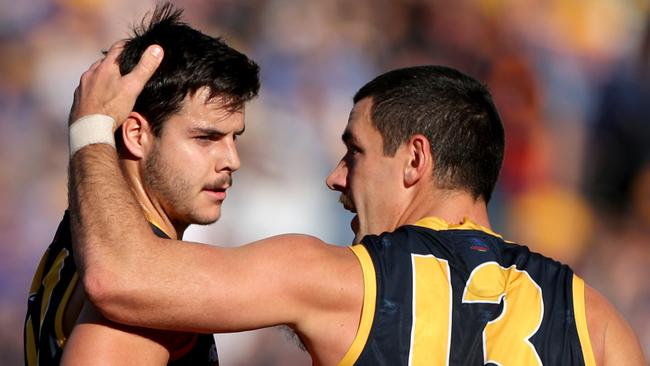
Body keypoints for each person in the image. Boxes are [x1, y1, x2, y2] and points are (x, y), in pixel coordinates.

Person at [65, 40, 647, 364]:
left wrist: (92, 128)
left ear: (415, 161)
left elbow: (121, 277)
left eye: (356, 153)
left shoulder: (348, 281)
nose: (336, 177)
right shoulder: (596, 321)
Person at [23, 4, 259, 365]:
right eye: (206, 138)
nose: (232, 160)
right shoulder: (146, 294)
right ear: (136, 134)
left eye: (234, 138)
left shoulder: (84, 236)